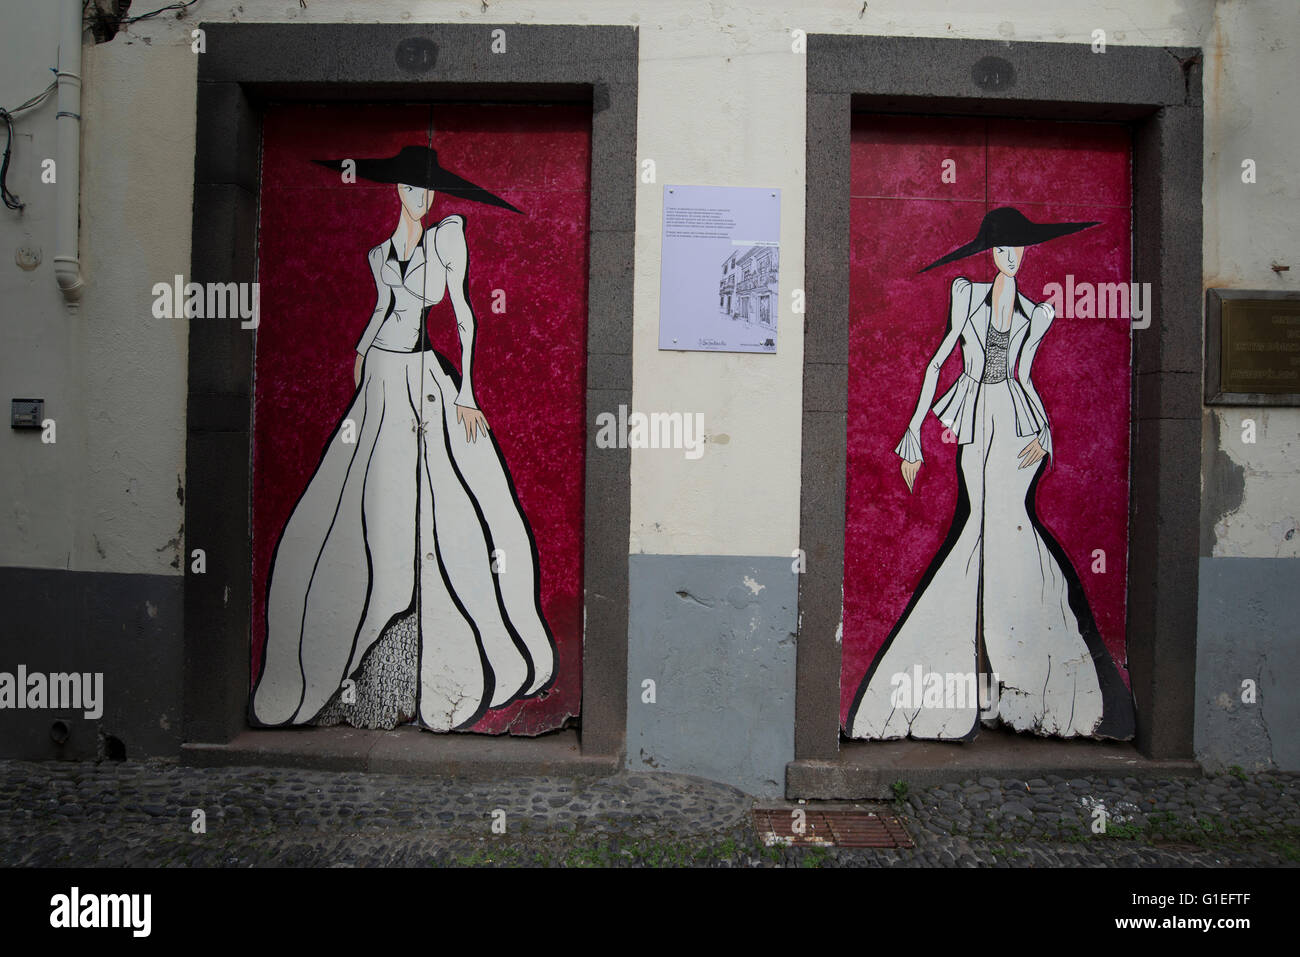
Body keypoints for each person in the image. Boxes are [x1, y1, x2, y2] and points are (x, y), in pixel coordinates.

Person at [250, 145, 557, 732]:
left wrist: (467, 392)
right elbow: (381, 310)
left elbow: (465, 316)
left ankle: (448, 642)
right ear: (396, 192)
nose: (420, 198)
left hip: (424, 376)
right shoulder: (378, 254)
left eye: (427, 190)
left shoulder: (448, 240)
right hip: (382, 375)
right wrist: (362, 353)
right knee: (354, 498)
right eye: (411, 189)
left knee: (451, 499)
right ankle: (352, 643)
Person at [846, 207, 1135, 741]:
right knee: (978, 526)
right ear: (990, 253)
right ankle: (970, 684)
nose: (1010, 257)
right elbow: (938, 363)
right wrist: (913, 430)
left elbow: (1025, 378)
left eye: (1018, 249)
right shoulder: (966, 296)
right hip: (975, 418)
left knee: (1010, 528)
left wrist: (1043, 434)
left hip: (1016, 424)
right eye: (1002, 249)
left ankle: (1022, 687)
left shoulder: (1036, 314)